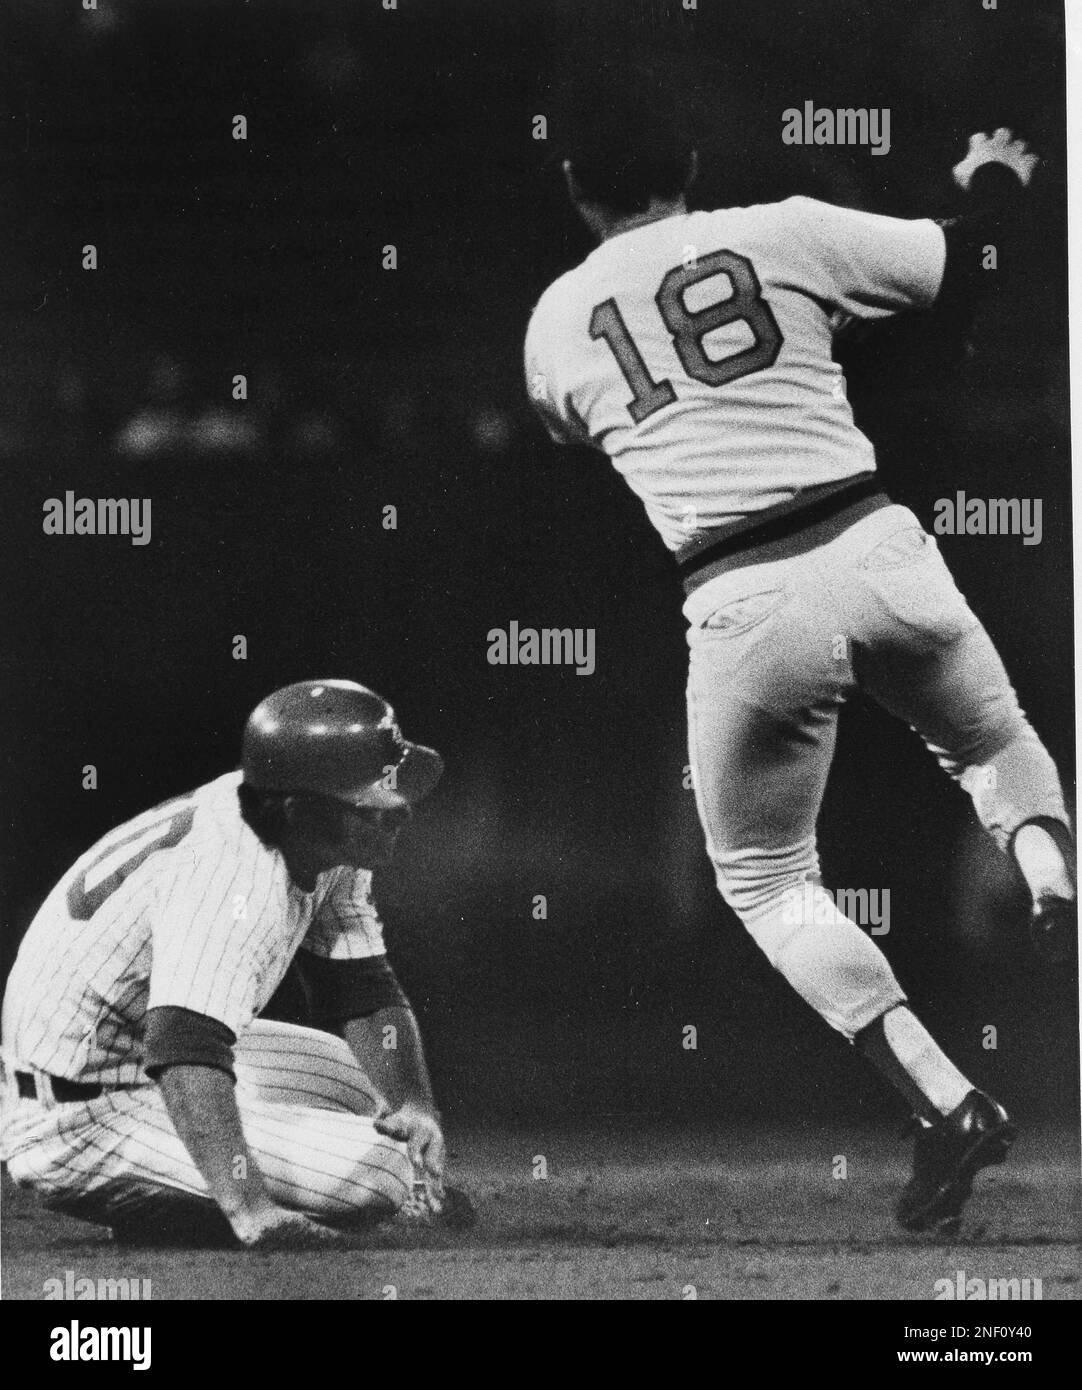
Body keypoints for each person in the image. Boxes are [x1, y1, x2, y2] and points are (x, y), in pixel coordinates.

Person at [523, 85, 1075, 1233]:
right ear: (687, 150)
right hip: (874, 538)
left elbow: (575, 426)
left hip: (741, 591)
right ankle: (1051, 881)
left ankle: (944, 1098)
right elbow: (968, 265)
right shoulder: (779, 225)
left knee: (769, 882)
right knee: (991, 743)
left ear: (574, 189)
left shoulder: (550, 321)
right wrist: (991, 179)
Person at [1, 679, 459, 1248]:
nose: (399, 811)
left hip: (132, 1053)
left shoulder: (313, 830)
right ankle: (174, 1203)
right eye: (373, 800)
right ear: (300, 809)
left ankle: (189, 1175)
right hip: (76, 1115)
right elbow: (183, 1047)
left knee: (367, 1087)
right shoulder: (232, 879)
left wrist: (413, 1105)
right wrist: (251, 1209)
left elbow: (358, 984)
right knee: (380, 1176)